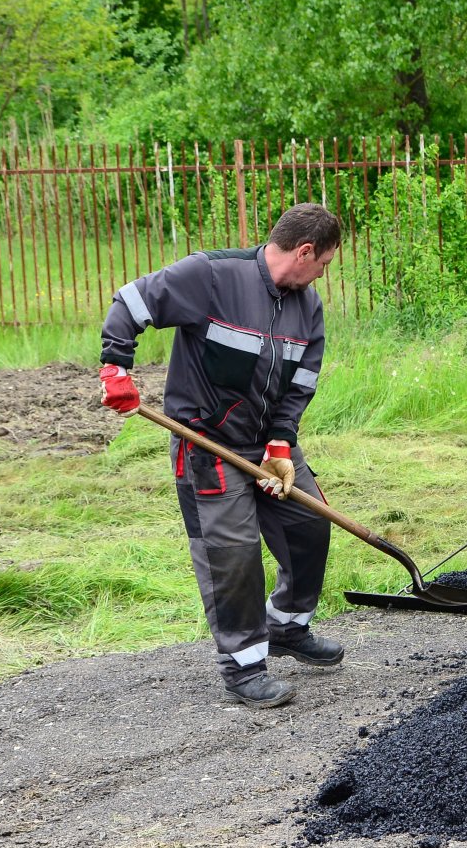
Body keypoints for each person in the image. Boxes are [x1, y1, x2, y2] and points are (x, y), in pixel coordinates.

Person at [97, 203, 347, 709]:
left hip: (269, 443)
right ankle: (244, 666)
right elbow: (131, 304)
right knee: (232, 553)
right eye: (323, 263)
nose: (323, 273)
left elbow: (302, 382)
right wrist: (115, 367)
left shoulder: (307, 306)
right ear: (303, 251)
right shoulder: (210, 276)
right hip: (208, 443)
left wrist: (281, 440)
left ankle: (287, 626)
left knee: (309, 525)